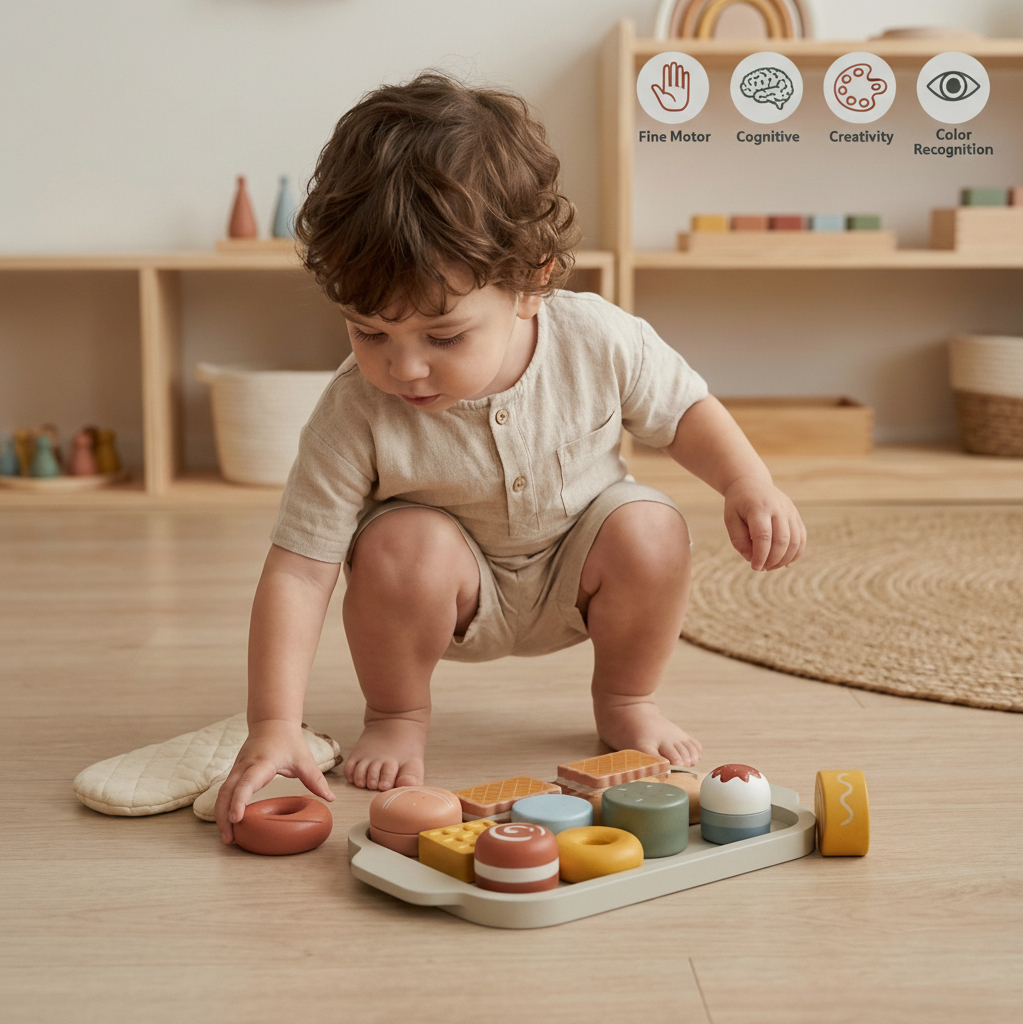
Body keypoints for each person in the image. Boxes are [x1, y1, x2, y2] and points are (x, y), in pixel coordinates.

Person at [215, 71, 805, 845]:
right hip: (451, 592)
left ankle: (626, 698)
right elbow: (299, 568)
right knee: (397, 544)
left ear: (531, 284)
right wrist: (273, 721)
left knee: (651, 526)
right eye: (369, 332)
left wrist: (747, 481)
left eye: (444, 336)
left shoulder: (598, 336)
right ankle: (397, 713)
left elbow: (683, 408)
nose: (404, 369)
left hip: (577, 571)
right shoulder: (353, 407)